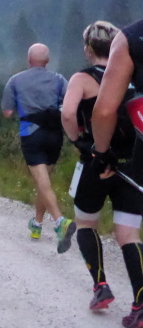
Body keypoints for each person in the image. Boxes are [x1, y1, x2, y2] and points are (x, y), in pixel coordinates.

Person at [60, 21, 139, 312]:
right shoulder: (133, 77)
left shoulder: (82, 78)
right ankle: (141, 302)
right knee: (129, 233)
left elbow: (68, 114)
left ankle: (100, 286)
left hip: (96, 161)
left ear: (88, 49)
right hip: (132, 162)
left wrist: (78, 141)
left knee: (85, 222)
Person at [88, 18, 143, 326]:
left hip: (131, 156)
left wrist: (101, 151)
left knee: (121, 227)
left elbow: (105, 109)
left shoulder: (132, 37)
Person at [1, 43, 75, 253]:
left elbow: (7, 112)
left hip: (31, 133)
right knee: (44, 182)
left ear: (28, 59)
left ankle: (60, 221)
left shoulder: (15, 80)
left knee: (42, 182)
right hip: (54, 134)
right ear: (47, 61)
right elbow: (70, 105)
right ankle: (37, 224)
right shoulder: (59, 79)